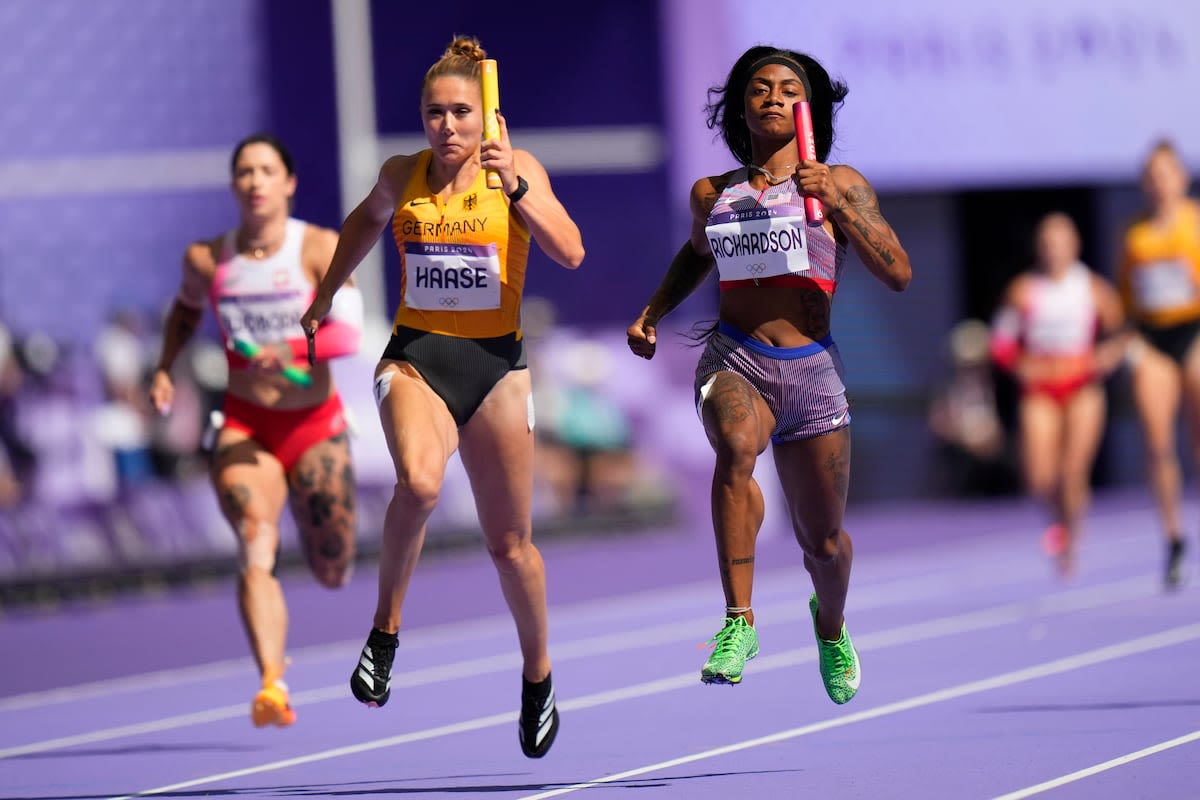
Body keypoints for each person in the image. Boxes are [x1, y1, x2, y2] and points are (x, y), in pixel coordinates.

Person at [300, 35, 584, 758]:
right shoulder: (404, 174)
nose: (448, 126)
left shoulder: (514, 169)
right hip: (417, 356)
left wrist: (515, 188)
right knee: (419, 483)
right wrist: (327, 293)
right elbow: (363, 225)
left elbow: (571, 250)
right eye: (435, 113)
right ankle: (385, 635)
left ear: (484, 112)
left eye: (461, 112)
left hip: (496, 367)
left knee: (510, 545)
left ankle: (538, 675)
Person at [626, 45, 911, 704]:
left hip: (811, 369)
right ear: (742, 106)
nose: (774, 97)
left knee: (825, 542)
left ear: (807, 107)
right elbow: (696, 256)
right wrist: (652, 312)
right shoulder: (713, 195)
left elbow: (898, 273)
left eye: (789, 88)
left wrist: (835, 209)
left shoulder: (839, 183)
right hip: (736, 356)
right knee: (735, 450)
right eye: (760, 88)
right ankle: (739, 623)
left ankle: (831, 625)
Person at [150, 133, 364, 728]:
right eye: (244, 172)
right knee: (254, 541)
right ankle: (272, 683)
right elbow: (188, 309)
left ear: (288, 182)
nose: (255, 181)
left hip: (314, 426)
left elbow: (349, 335)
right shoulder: (207, 258)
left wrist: (289, 344)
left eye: (267, 170)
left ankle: (324, 560)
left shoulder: (320, 247)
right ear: (233, 186)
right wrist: (165, 368)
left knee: (332, 567)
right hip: (247, 425)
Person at [988, 212, 1129, 577]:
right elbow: (1001, 343)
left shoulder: (1093, 288)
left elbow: (1122, 333)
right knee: (1039, 475)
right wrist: (1021, 364)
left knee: (1073, 469)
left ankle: (1071, 539)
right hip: (1041, 388)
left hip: (1082, 385)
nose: (1054, 250)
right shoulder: (1023, 290)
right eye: (1047, 243)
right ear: (1039, 248)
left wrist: (1106, 356)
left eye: (1061, 242)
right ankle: (1059, 518)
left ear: (1074, 245)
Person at [1117, 139, 1200, 590]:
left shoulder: (1196, 224)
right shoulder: (1135, 236)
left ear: (1182, 178)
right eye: (1151, 177)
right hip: (1153, 338)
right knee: (1157, 442)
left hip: (1194, 328)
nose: (1159, 184)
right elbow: (1129, 302)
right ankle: (1173, 538)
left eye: (1166, 175)